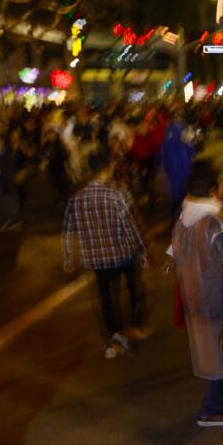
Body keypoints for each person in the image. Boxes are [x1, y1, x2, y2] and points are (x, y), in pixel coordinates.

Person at [171, 161, 223, 427]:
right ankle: (211, 408)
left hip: (197, 301)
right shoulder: (217, 224)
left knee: (216, 353)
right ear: (214, 190)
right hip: (221, 302)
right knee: (222, 352)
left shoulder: (184, 218)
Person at [62, 152, 149, 358]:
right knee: (135, 290)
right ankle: (130, 331)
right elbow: (129, 227)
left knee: (107, 300)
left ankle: (114, 338)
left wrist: (67, 259)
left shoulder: (75, 199)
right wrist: (141, 250)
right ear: (106, 169)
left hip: (98, 261)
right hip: (122, 254)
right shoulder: (115, 195)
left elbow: (68, 231)